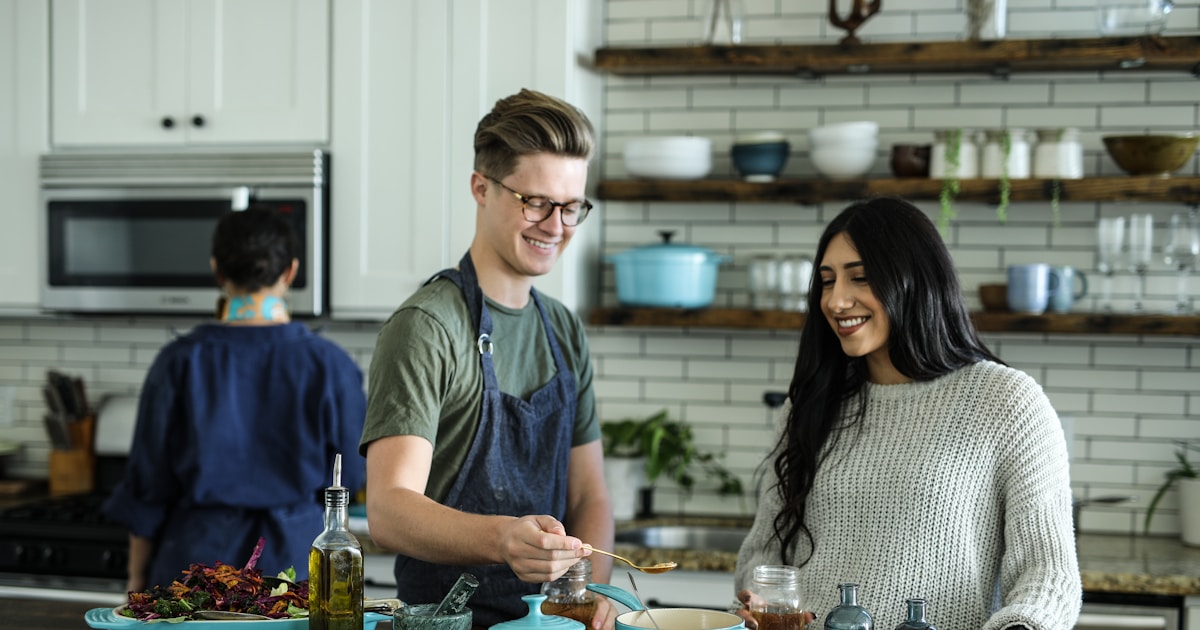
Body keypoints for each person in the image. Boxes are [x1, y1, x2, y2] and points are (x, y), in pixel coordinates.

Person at [732, 197, 1081, 630]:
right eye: (826, 281)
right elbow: (762, 556)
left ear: (914, 280)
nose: (837, 301)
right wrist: (758, 600)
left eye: (860, 278)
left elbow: (1048, 574)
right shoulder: (812, 404)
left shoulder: (1006, 401)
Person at [360, 88, 615, 629]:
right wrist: (502, 539)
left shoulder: (563, 329)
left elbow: (588, 493)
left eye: (571, 208)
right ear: (482, 187)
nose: (556, 226)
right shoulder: (428, 327)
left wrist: (586, 592)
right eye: (536, 202)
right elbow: (387, 509)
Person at [102, 205, 367, 594]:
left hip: (193, 569)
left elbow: (148, 489)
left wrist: (137, 580)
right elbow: (353, 477)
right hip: (294, 569)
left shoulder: (178, 362)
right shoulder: (331, 366)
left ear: (217, 270)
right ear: (291, 272)